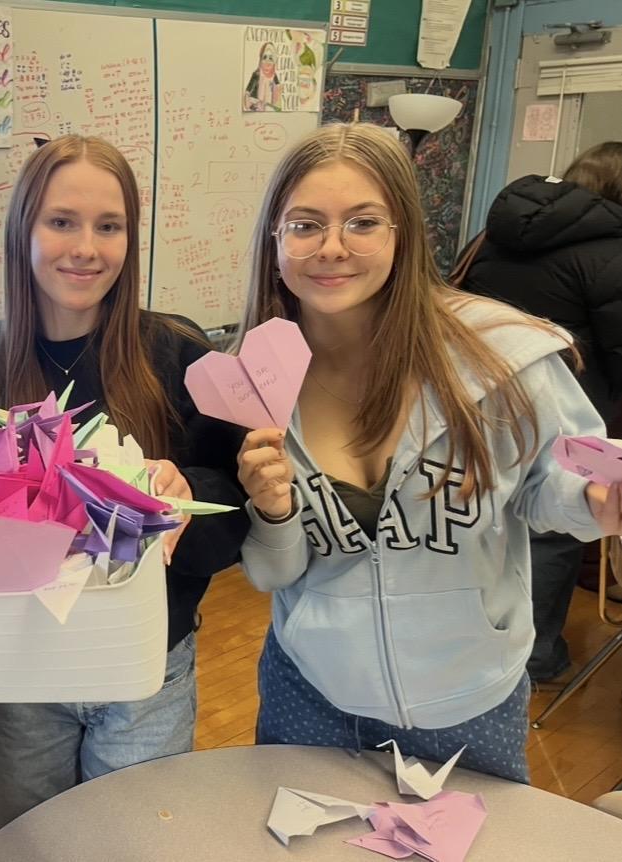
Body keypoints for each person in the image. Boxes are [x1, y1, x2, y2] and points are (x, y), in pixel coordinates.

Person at [233, 123, 622, 783]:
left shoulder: (498, 355)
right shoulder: (253, 380)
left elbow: (557, 482)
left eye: (363, 222)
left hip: (468, 701)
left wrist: (596, 497)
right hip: (310, 694)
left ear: (403, 235)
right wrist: (272, 512)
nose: (332, 247)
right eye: (305, 225)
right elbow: (276, 572)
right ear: (274, 242)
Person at [0, 135, 249, 829]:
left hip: (145, 669)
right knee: (32, 839)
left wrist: (182, 499)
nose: (86, 248)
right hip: (25, 671)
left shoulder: (177, 352)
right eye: (61, 221)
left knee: (134, 840)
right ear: (23, 229)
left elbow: (235, 509)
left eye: (109, 226)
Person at [454, 141, 622, 682]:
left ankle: (475, 640)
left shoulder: (492, 234)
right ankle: (535, 657)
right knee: (552, 534)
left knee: (484, 518)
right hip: (567, 410)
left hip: (473, 401)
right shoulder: (612, 254)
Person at [244, 41, 283, 112]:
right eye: (264, 57)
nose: (267, 62)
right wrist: (254, 105)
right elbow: (247, 94)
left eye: (271, 58)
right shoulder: (256, 75)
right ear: (261, 59)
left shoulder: (274, 77)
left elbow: (278, 104)